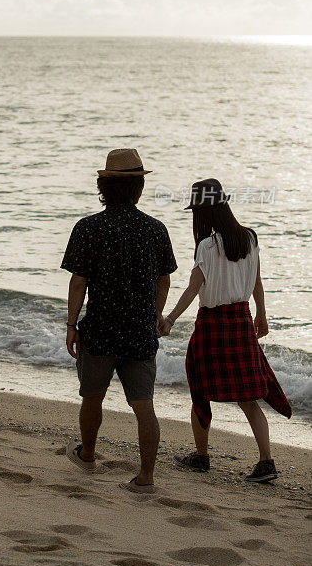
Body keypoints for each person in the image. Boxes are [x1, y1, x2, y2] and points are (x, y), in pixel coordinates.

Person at [61, 148, 177, 493]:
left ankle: (89, 455)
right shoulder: (155, 229)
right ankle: (146, 478)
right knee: (144, 406)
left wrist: (71, 324)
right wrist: (156, 314)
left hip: (99, 328)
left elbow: (79, 280)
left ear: (103, 187)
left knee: (92, 397)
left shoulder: (88, 227)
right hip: (140, 332)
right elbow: (165, 278)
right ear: (139, 188)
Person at [161, 178, 291, 483]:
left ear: (202, 212)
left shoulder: (206, 245)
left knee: (200, 389)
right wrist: (262, 314)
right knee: (249, 395)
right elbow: (257, 281)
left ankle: (202, 457)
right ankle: (266, 462)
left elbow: (193, 289)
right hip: (241, 321)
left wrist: (170, 319)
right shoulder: (250, 238)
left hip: (211, 326)